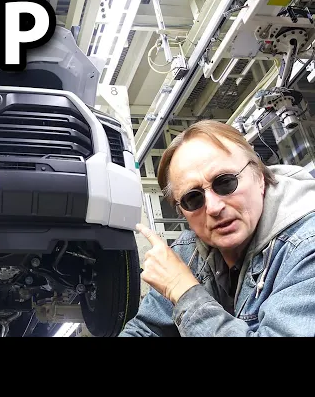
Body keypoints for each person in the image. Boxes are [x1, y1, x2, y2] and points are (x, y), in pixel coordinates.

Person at [119, 119, 315, 337]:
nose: (213, 208)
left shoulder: (307, 246)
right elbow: (144, 330)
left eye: (225, 182)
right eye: (193, 199)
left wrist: (182, 290)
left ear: (259, 177)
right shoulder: (189, 253)